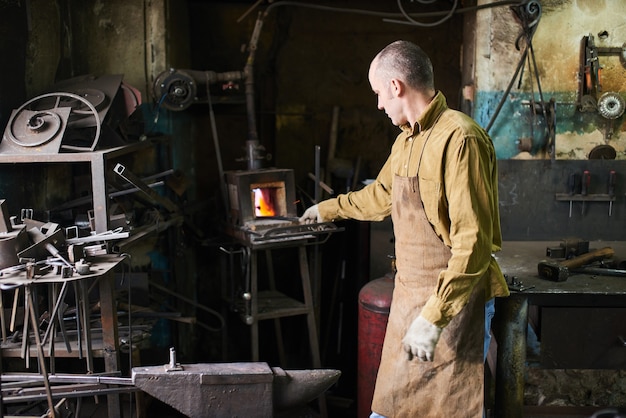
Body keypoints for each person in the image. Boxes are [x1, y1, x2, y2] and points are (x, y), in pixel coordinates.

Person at [300, 40, 510, 417]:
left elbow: (473, 244)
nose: (379, 104)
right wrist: (327, 209)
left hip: (452, 305)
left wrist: (434, 317)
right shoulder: (405, 142)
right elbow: (381, 196)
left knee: (449, 410)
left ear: (396, 86)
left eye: (379, 93)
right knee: (390, 408)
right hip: (408, 300)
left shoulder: (460, 139)